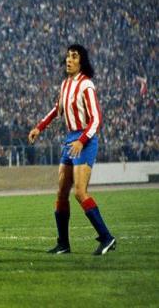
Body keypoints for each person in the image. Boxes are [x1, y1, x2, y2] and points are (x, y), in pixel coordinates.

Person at [28, 44, 116, 256]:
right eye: (68, 56)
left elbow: (96, 119)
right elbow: (56, 110)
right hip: (70, 139)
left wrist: (82, 140)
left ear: (81, 61)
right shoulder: (66, 84)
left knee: (79, 192)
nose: (69, 60)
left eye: (74, 57)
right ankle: (63, 244)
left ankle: (107, 238)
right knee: (61, 192)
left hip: (85, 140)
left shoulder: (86, 85)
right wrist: (39, 127)